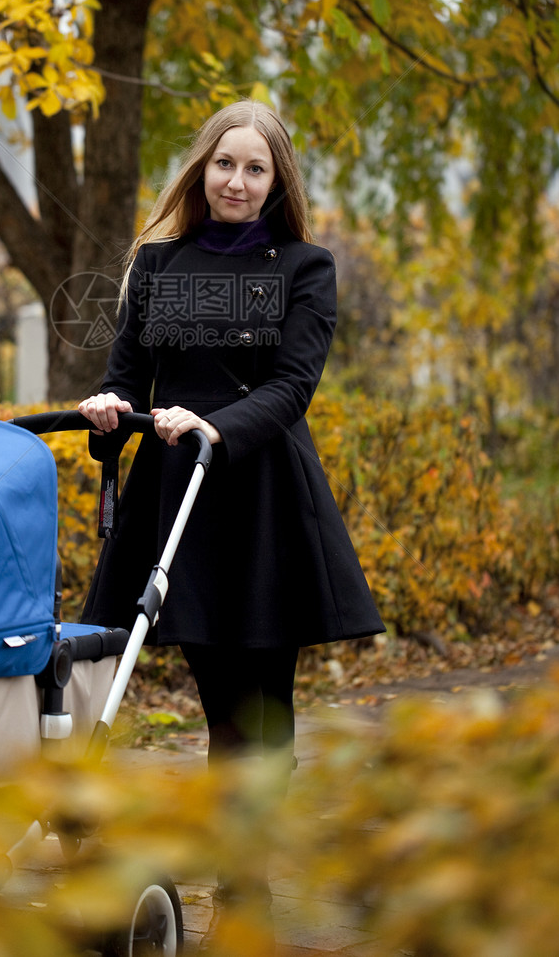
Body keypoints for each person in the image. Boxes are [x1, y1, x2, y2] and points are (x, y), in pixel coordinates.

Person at [78, 100, 384, 775]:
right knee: (227, 705)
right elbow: (126, 380)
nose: (236, 182)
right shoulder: (157, 264)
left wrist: (214, 426)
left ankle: (247, 870)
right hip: (179, 500)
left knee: (266, 704)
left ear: (277, 181)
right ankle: (243, 861)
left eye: (254, 168)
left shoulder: (306, 268)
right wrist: (109, 411)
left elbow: (292, 387)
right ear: (201, 169)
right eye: (224, 164)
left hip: (264, 495)